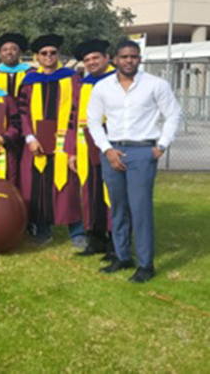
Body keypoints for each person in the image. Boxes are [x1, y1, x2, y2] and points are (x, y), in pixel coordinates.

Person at [88, 40, 182, 283]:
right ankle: (122, 256)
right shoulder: (102, 87)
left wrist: (161, 146)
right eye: (124, 57)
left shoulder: (155, 85)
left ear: (139, 59)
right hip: (113, 151)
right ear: (115, 60)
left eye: (134, 56)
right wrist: (107, 149)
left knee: (140, 209)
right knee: (118, 208)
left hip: (142, 152)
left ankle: (145, 264)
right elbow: (94, 121)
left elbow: (173, 114)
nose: (129, 61)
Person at [17, 34, 84, 247]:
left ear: (58, 55)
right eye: (44, 53)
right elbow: (22, 113)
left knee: (68, 187)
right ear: (37, 57)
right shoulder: (28, 81)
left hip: (65, 142)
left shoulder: (71, 78)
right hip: (35, 143)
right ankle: (42, 230)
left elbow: (77, 110)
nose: (48, 56)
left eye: (52, 53)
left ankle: (77, 232)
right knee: (37, 186)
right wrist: (29, 138)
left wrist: (71, 143)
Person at [67, 40, 116, 259]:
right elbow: (73, 116)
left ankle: (116, 243)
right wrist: (72, 151)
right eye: (87, 60)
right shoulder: (83, 84)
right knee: (90, 192)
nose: (91, 62)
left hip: (113, 143)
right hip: (86, 144)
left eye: (96, 58)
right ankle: (96, 240)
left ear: (107, 57)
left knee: (113, 194)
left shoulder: (119, 79)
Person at [0, 33, 33, 98]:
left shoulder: (31, 73)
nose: (9, 52)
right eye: (5, 50)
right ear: (0, 53)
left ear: (20, 52)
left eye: (13, 49)